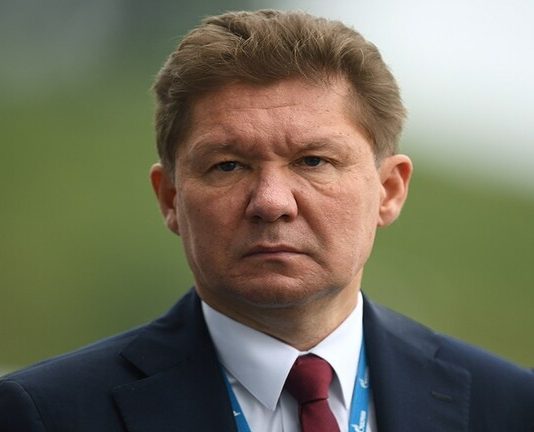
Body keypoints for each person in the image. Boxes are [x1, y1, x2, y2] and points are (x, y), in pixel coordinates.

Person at [0, 9, 533, 432]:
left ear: (389, 191)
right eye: (228, 165)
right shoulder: (44, 414)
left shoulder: (510, 407)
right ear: (170, 198)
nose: (272, 202)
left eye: (313, 161)